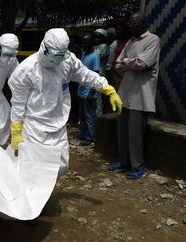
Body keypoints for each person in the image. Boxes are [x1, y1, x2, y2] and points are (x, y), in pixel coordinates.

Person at [9, 28, 122, 177]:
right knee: (34, 168)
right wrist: (16, 130)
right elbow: (18, 103)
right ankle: (31, 197)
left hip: (58, 122)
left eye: (61, 55)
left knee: (60, 166)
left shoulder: (68, 60)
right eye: (56, 55)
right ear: (45, 48)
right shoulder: (26, 70)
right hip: (35, 125)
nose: (58, 59)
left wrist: (107, 88)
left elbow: (86, 75)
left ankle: (41, 193)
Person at [108, 12, 160, 180]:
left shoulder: (153, 40)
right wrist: (129, 62)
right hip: (125, 93)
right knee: (122, 131)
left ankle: (138, 166)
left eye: (132, 22)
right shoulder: (130, 41)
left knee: (135, 135)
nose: (129, 25)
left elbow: (143, 64)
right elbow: (117, 65)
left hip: (141, 96)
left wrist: (127, 62)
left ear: (143, 23)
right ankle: (123, 160)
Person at [77, 32, 101, 146]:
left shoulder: (95, 57)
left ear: (92, 43)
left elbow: (96, 75)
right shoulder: (84, 54)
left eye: (86, 42)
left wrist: (92, 93)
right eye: (83, 42)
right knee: (82, 115)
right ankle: (83, 134)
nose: (83, 44)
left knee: (90, 116)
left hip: (89, 92)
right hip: (81, 91)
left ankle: (90, 137)